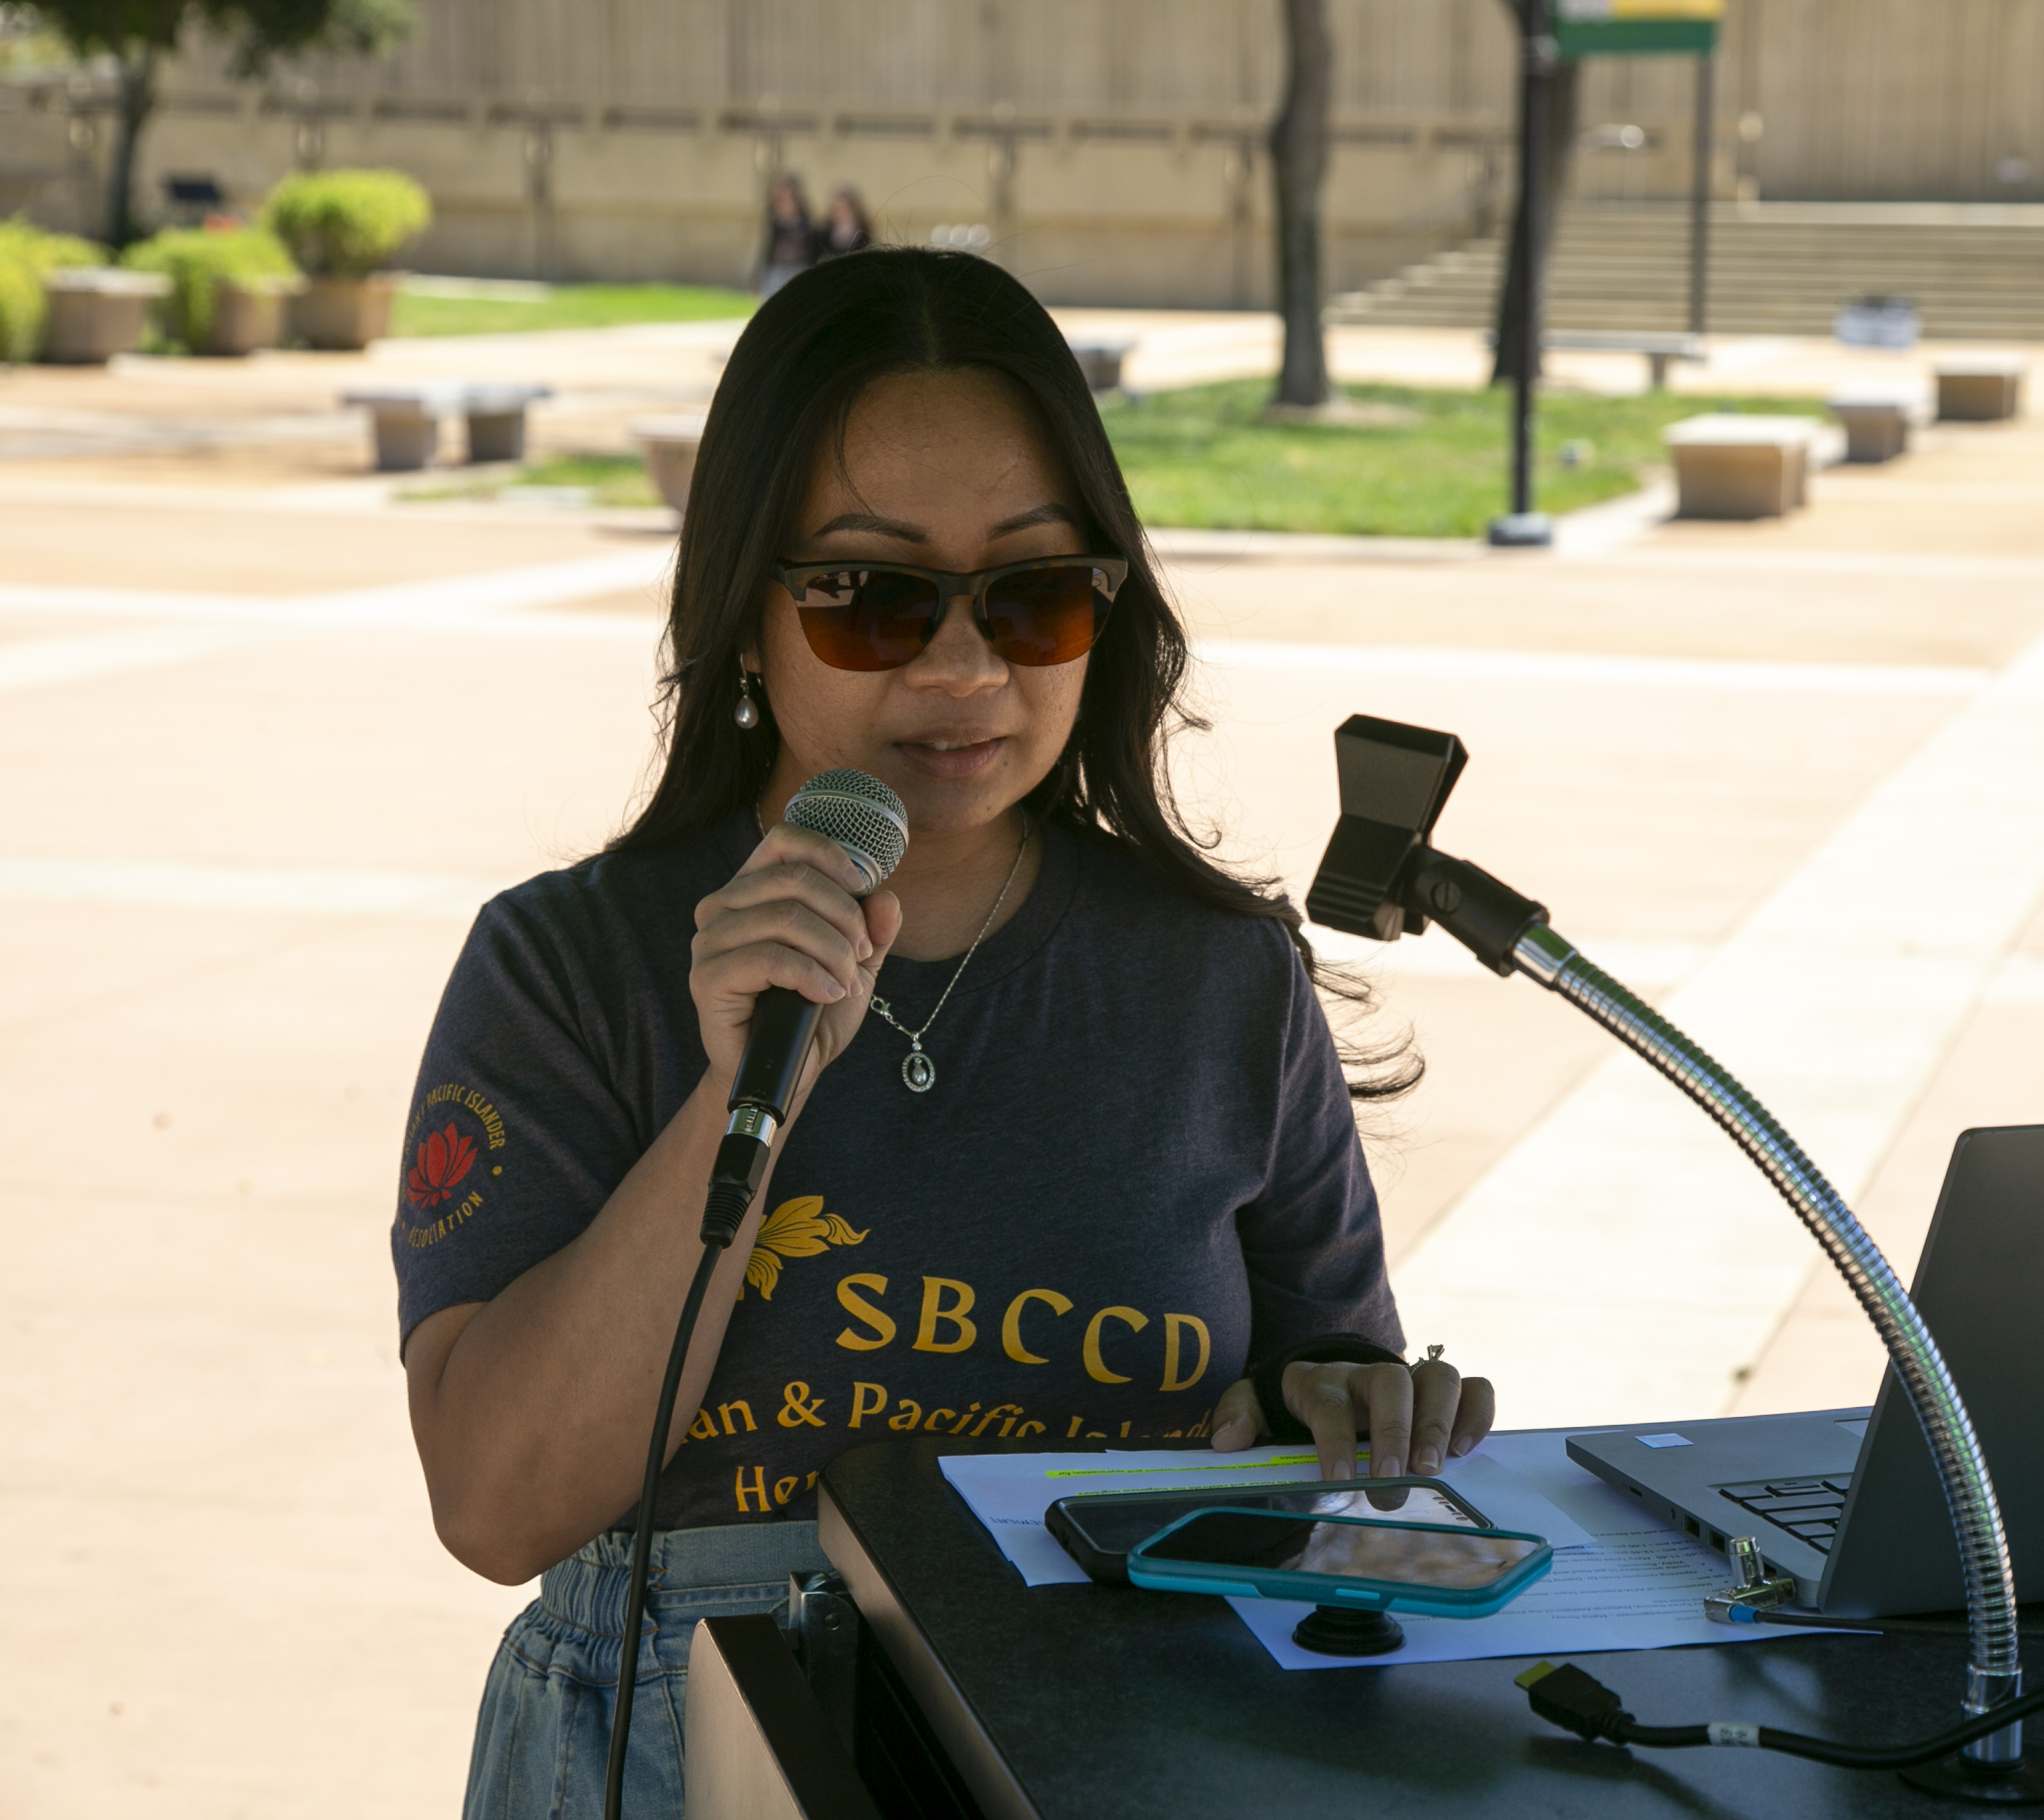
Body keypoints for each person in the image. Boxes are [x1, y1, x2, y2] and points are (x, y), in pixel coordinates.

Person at [394, 246, 1497, 1820]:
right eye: (870, 593)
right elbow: (501, 1501)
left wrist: (1349, 1410)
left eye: (1035, 591)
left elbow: (1327, 1405)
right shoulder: (568, 959)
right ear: (744, 612)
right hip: (694, 1729)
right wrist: (735, 1084)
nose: (964, 665)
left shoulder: (1218, 974)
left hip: (1126, 1729)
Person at [754, 173, 817, 296]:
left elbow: (811, 249)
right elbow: (767, 250)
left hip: (798, 269)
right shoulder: (774, 221)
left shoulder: (805, 222)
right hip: (776, 270)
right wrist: (757, 276)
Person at [819, 184, 873, 260]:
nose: (842, 212)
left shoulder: (862, 232)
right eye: (838, 209)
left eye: (845, 208)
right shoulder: (825, 233)